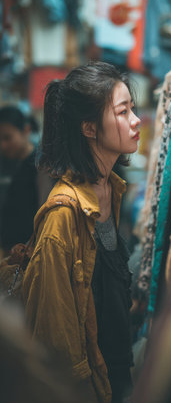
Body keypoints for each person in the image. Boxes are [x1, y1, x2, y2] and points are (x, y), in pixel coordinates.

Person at [22, 61, 141, 403]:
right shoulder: (62, 215)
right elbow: (54, 333)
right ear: (89, 128)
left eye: (132, 109)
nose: (135, 121)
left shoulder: (111, 189)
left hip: (116, 368)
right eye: (123, 112)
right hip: (89, 385)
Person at [0, 107, 52, 256]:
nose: (2, 145)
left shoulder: (39, 166)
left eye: (7, 138)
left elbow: (44, 212)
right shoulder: (8, 164)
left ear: (26, 131)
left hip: (28, 255)